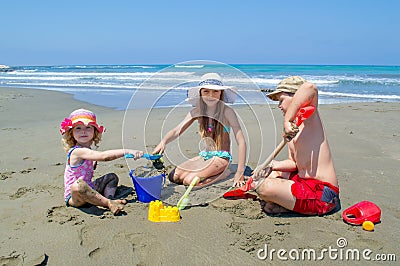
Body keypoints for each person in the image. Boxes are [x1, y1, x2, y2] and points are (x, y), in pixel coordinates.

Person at [253, 76, 339, 215]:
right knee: (270, 175)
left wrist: (287, 120)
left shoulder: (310, 118)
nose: (279, 106)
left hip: (323, 194)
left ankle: (286, 204)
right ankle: (286, 205)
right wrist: (272, 165)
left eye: (281, 100)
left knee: (264, 187)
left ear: (295, 97)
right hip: (302, 182)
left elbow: (310, 88)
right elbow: (293, 163)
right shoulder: (293, 130)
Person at [153, 73, 247, 187]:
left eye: (215, 91)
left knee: (190, 181)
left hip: (221, 157)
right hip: (205, 155)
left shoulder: (227, 112)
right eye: (206, 91)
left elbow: (241, 141)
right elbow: (177, 130)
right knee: (174, 177)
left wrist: (240, 172)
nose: (210, 95)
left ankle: (225, 172)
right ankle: (211, 171)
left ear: (221, 93)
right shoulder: (197, 111)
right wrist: (163, 142)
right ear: (200, 93)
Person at [60, 108, 143, 215]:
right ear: (71, 134)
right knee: (78, 185)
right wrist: (127, 151)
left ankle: (110, 198)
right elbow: (104, 156)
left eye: (88, 127)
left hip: (89, 188)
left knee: (112, 177)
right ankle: (108, 203)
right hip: (76, 196)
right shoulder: (77, 151)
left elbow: (88, 162)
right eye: (78, 128)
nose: (83, 131)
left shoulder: (88, 151)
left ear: (95, 132)